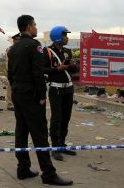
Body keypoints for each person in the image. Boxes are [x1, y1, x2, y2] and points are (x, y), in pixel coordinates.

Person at [7, 15, 73, 186]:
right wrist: (43, 96)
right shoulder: (34, 46)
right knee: (40, 133)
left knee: (21, 131)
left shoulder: (13, 48)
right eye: (35, 25)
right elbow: (38, 73)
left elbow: (10, 74)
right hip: (31, 95)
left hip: (18, 93)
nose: (36, 27)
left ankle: (23, 168)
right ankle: (48, 174)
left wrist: (16, 91)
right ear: (29, 27)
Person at [44, 26, 78, 161]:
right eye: (65, 35)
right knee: (56, 118)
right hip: (56, 89)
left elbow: (73, 72)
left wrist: (74, 66)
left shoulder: (67, 52)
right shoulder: (47, 52)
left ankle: (62, 144)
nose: (67, 37)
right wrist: (58, 68)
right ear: (58, 37)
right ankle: (55, 147)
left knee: (66, 117)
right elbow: (43, 69)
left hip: (68, 88)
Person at [4, 33, 20, 111]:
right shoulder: (9, 49)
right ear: (14, 41)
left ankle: (16, 103)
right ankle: (10, 104)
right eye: (17, 40)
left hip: (19, 73)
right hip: (12, 72)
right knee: (10, 88)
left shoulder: (21, 49)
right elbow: (8, 62)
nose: (18, 41)